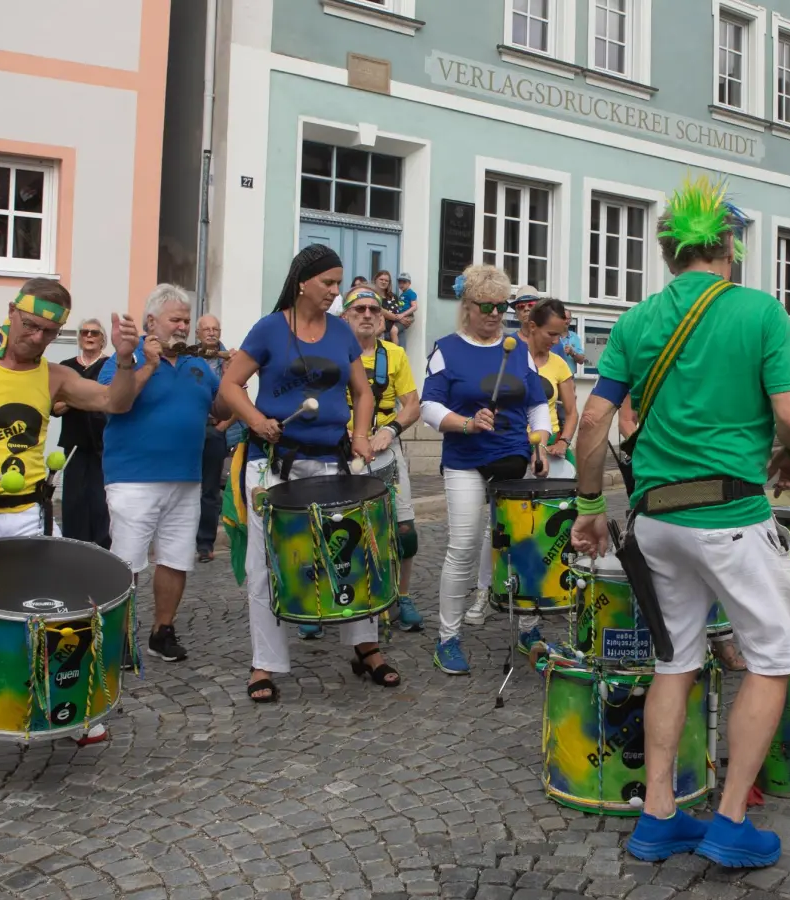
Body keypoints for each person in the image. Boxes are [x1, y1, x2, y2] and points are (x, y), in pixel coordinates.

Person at [569, 177, 790, 868]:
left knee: (674, 660)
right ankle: (730, 821)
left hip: (656, 522)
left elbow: (592, 421)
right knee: (770, 658)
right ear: (727, 244)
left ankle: (658, 817)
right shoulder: (760, 312)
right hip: (732, 518)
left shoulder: (636, 320)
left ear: (669, 252)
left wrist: (590, 507)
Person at [0, 278, 143, 773]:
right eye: (31, 325)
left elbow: (114, 403)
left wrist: (124, 361)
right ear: (12, 313)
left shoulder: (53, 376)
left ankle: (69, 708)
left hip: (32, 515)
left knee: (54, 614)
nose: (36, 338)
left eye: (48, 331)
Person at [218, 244, 387, 703]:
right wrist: (255, 421)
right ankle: (265, 663)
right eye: (329, 283)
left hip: (331, 460)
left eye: (338, 283)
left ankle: (364, 646)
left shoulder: (340, 332)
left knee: (349, 553)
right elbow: (230, 384)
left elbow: (363, 392)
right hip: (273, 463)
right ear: (302, 283)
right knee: (266, 565)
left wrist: (361, 434)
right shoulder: (269, 329)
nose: (336, 291)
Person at [421, 264, 551, 673]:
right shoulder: (447, 348)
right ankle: (448, 637)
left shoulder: (516, 349)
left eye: (501, 306)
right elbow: (429, 405)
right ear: (467, 306)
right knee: (463, 547)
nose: (495, 314)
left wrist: (541, 440)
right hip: (464, 459)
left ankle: (529, 627)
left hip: (512, 455)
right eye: (486, 306)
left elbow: (536, 403)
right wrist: (465, 423)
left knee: (523, 544)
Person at [97, 284, 224, 664]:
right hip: (133, 478)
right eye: (176, 320)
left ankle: (162, 631)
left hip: (186, 478)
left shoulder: (198, 364)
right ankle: (117, 637)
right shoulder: (124, 359)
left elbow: (219, 408)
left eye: (187, 320)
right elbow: (115, 403)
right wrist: (148, 365)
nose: (183, 327)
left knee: (176, 558)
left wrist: (236, 382)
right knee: (127, 561)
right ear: (152, 321)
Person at [318, 285, 423, 632]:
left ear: (382, 319)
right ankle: (321, 600)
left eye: (373, 310)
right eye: (359, 309)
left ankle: (401, 596)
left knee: (405, 531)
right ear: (344, 316)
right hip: (338, 451)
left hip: (384, 450)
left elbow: (412, 405)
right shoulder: (330, 354)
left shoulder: (394, 355)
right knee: (332, 528)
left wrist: (389, 431)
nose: (367, 315)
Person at [54, 317, 111, 548]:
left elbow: (110, 400)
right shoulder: (66, 367)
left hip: (103, 443)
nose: (89, 336)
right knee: (75, 500)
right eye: (85, 332)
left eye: (94, 333)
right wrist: (85, 398)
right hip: (74, 443)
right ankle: (75, 547)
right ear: (79, 338)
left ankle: (102, 548)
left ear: (103, 340)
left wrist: (73, 397)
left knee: (102, 500)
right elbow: (55, 407)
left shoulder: (109, 365)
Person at [520, 298, 579, 478]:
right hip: (516, 447)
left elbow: (571, 412)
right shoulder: (512, 358)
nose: (556, 342)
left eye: (559, 335)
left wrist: (563, 442)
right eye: (551, 334)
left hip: (550, 444)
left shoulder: (559, 364)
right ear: (532, 327)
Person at [194, 313, 232, 563]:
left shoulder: (230, 360)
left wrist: (222, 427)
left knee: (210, 490)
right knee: (183, 487)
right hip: (189, 429)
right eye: (206, 329)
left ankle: (205, 544)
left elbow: (238, 398)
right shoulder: (188, 357)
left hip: (214, 429)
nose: (211, 333)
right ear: (197, 334)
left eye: (215, 329)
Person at [379, 270, 416, 345]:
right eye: (381, 279)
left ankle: (396, 350)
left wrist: (402, 316)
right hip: (382, 332)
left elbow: (414, 306)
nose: (383, 282)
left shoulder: (395, 296)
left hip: (399, 325)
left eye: (386, 280)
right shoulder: (373, 296)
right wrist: (398, 317)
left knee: (394, 333)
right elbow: (380, 311)